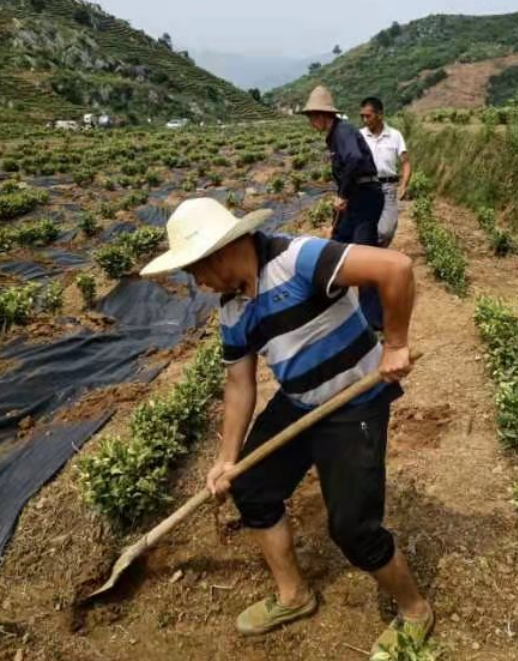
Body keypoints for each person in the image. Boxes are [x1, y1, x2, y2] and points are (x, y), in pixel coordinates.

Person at [140, 198, 433, 658]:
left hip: (353, 401)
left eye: (194, 271)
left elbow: (396, 267)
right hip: (298, 402)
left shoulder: (298, 259)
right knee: (252, 488)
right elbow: (238, 385)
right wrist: (226, 458)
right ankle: (293, 595)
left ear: (218, 253)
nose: (196, 283)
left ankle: (415, 610)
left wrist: (395, 343)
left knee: (354, 529)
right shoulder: (233, 310)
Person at [302, 85, 384, 331]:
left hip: (365, 199)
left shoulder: (343, 131)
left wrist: (343, 195)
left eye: (311, 117)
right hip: (356, 200)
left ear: (321, 115)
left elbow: (356, 160)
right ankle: (331, 308)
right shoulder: (335, 134)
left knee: (363, 257)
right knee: (336, 247)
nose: (310, 122)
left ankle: (374, 322)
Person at [360, 97, 412, 248]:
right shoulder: (359, 136)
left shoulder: (395, 135)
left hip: (388, 187)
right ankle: (374, 259)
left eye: (368, 116)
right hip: (365, 187)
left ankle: (378, 251)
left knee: (386, 231)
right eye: (362, 116)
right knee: (365, 229)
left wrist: (403, 185)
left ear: (380, 115)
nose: (364, 120)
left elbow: (406, 162)